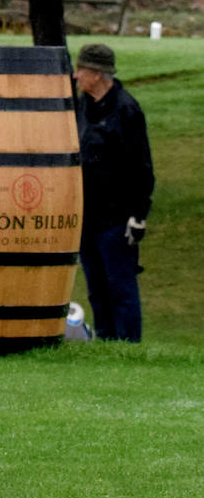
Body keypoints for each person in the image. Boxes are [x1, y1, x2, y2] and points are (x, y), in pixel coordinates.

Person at [73, 42, 153, 342]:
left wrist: (138, 215)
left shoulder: (126, 109)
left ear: (97, 73)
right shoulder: (82, 105)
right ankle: (106, 343)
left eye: (81, 70)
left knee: (121, 286)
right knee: (96, 286)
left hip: (116, 218)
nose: (76, 76)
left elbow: (142, 168)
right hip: (87, 216)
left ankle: (129, 347)